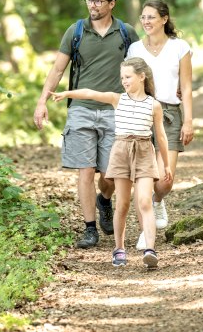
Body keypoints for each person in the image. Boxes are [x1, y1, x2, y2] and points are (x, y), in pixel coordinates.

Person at [33, 0, 139, 249]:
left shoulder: (126, 33)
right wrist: (42, 101)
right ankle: (89, 228)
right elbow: (57, 70)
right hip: (80, 110)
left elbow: (141, 70)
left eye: (98, 1)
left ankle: (104, 200)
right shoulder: (76, 31)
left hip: (116, 110)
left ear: (111, 4)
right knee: (85, 169)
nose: (92, 5)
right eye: (89, 0)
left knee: (111, 175)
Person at [50, 57, 172, 268]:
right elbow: (91, 93)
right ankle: (119, 248)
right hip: (121, 151)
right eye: (122, 77)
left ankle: (150, 250)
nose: (124, 81)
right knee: (123, 204)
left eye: (128, 77)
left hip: (144, 152)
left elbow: (161, 137)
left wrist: (167, 164)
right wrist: (67, 93)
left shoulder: (154, 105)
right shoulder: (118, 99)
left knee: (144, 201)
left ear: (142, 77)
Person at [126, 0, 193, 250]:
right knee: (142, 176)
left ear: (164, 19)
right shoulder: (134, 49)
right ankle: (146, 231)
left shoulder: (180, 47)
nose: (146, 22)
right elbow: (129, 82)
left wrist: (188, 120)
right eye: (143, 17)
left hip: (170, 114)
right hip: (141, 112)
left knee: (166, 178)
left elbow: (185, 86)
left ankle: (157, 200)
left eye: (151, 17)